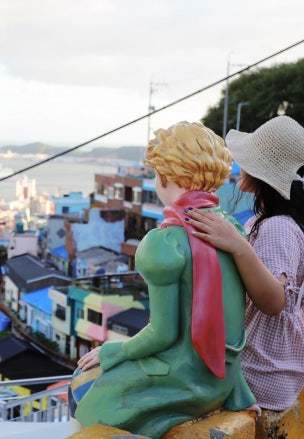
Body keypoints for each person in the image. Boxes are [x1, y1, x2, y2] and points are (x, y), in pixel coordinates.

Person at [68, 121, 255, 438]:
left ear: (166, 176)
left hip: (183, 381)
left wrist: (112, 351)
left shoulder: (164, 243)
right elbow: (234, 319)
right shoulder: (229, 229)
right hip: (223, 381)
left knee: (84, 398)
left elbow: (163, 334)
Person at [185, 115, 304, 411]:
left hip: (256, 373)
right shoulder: (272, 222)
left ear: (262, 172)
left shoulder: (278, 227)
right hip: (268, 369)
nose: (240, 164)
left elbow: (274, 301)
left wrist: (237, 246)